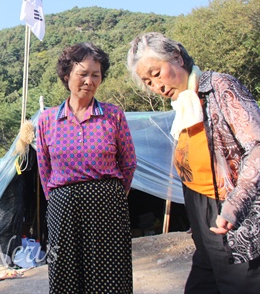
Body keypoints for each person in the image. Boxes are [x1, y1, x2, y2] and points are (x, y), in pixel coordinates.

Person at [127, 32, 260, 293]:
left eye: (157, 73)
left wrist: (234, 206)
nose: (157, 86)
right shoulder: (184, 107)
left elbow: (257, 147)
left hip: (232, 219)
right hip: (204, 224)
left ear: (176, 57)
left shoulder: (219, 87)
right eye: (148, 81)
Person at [36, 43, 137, 293]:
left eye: (96, 74)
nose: (89, 81)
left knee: (110, 275)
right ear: (66, 75)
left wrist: (113, 195)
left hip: (107, 206)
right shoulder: (48, 119)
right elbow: (44, 166)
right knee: (65, 275)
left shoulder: (113, 116)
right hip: (63, 205)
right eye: (83, 73)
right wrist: (58, 199)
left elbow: (128, 162)